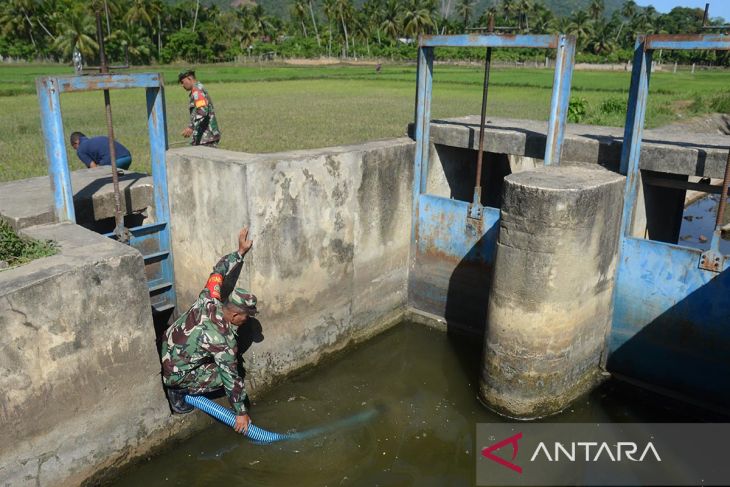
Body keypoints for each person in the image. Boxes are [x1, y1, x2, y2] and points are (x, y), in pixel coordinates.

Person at [161, 227, 255, 434]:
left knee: (223, 362)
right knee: (232, 371)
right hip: (176, 373)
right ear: (236, 316)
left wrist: (239, 252)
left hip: (167, 347)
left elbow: (218, 271)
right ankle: (178, 393)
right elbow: (230, 377)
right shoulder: (222, 340)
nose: (247, 321)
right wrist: (240, 412)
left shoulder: (209, 297)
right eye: (247, 317)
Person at [178, 69, 221, 147]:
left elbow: (202, 111)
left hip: (207, 138)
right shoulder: (198, 88)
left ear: (189, 79)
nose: (182, 85)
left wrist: (191, 127)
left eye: (182, 82)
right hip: (206, 137)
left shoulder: (197, 91)